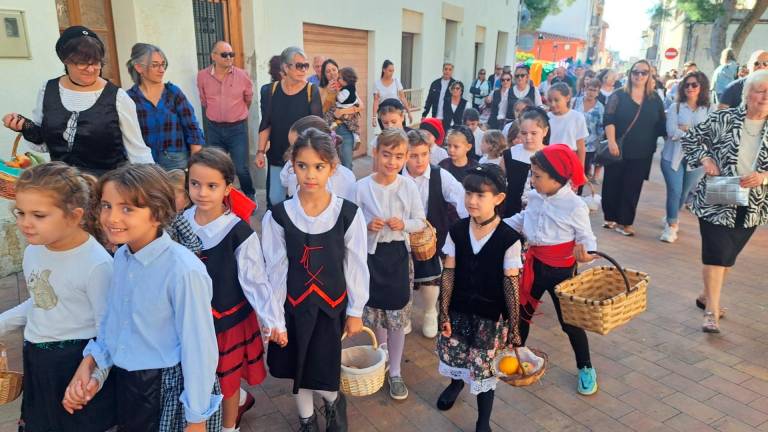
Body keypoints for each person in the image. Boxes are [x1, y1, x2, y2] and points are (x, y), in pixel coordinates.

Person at [62, 164, 222, 431]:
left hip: (166, 390)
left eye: (127, 208)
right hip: (128, 386)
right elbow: (116, 322)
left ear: (157, 213)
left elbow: (199, 349)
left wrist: (196, 418)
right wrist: (93, 365)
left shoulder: (183, 271)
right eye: (106, 205)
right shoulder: (123, 257)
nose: (111, 218)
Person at [262, 128, 369, 431]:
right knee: (300, 368)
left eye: (319, 166)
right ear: (292, 166)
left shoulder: (348, 214)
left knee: (324, 367)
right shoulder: (278, 216)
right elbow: (276, 269)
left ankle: (334, 406)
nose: (310, 174)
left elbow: (357, 263)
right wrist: (275, 319)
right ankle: (307, 420)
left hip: (330, 308)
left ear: (332, 168)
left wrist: (356, 310)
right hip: (293, 307)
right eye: (302, 165)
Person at [0, 163, 115, 432]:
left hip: (75, 364)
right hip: (37, 360)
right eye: (21, 213)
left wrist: (92, 376)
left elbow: (108, 331)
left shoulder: (97, 265)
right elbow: (45, 301)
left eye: (39, 215)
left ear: (74, 216)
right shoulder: (34, 251)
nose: (25, 223)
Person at [184, 149, 279, 431]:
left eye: (212, 186)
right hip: (191, 319)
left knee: (227, 379)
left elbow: (255, 280)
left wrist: (273, 320)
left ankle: (229, 427)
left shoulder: (237, 231)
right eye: (195, 184)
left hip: (228, 321)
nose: (202, 192)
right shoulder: (179, 222)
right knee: (197, 374)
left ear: (227, 187)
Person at [504, 144, 598, 395]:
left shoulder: (575, 205)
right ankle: (517, 354)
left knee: (570, 323)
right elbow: (522, 220)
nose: (532, 180)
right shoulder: (535, 197)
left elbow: (588, 239)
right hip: (533, 266)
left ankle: (586, 367)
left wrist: (586, 253)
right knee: (521, 313)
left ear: (557, 177)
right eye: (532, 174)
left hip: (561, 273)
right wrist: (496, 226)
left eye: (537, 176)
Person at [435, 164, 523, 432]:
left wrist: (515, 325)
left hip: (490, 317)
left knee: (484, 368)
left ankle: (483, 420)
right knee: (456, 356)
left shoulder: (509, 238)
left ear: (498, 198)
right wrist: (444, 311)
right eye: (468, 193)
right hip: (459, 309)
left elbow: (511, 283)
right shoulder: (458, 230)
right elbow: (448, 272)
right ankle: (455, 383)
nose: (472, 201)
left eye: (480, 195)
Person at [682, 70, 768, 333]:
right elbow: (691, 138)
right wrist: (705, 159)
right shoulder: (724, 117)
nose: (764, 97)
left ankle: (707, 295)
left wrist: (765, 177)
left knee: (728, 256)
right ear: (747, 93)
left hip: (753, 202)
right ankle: (711, 312)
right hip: (720, 193)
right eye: (759, 90)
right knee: (716, 253)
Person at [2, 26, 153, 176]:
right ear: (65, 61)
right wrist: (25, 126)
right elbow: (43, 143)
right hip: (62, 187)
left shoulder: (118, 97)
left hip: (107, 190)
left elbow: (138, 151)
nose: (91, 69)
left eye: (96, 63)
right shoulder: (48, 90)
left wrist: (150, 187)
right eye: (82, 63)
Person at [356, 129, 425, 401]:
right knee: (377, 310)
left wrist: (404, 224)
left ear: (406, 157)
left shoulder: (408, 186)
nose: (392, 161)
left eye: (398, 156)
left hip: (397, 256)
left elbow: (420, 220)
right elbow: (348, 222)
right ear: (376, 153)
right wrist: (365, 224)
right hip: (371, 257)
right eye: (386, 154)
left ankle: (395, 370)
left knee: (396, 314)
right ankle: (381, 348)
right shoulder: (361, 187)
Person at [405, 130, 468, 339]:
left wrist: (470, 224)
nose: (420, 160)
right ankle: (403, 314)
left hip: (432, 237)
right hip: (401, 236)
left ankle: (430, 312)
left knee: (431, 277)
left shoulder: (440, 175)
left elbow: (460, 197)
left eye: (424, 154)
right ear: (404, 155)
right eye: (413, 155)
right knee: (401, 277)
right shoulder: (396, 176)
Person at [601, 59, 666, 237]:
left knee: (632, 186)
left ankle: (626, 221)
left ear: (649, 75)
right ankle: (610, 216)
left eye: (644, 72)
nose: (639, 76)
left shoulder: (654, 99)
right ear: (630, 74)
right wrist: (612, 141)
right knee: (612, 183)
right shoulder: (618, 95)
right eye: (636, 72)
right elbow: (609, 119)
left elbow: (662, 124)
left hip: (642, 152)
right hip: (618, 148)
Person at [257, 46, 323, 208]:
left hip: (302, 157)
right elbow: (266, 123)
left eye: (306, 66)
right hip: (277, 154)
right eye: (299, 66)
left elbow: (317, 125)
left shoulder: (311, 90)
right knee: (275, 199)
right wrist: (260, 151)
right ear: (285, 67)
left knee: (300, 201)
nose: (304, 70)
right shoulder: (269, 91)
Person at [126, 43, 204, 171]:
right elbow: (127, 136)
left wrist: (195, 166)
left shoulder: (173, 93)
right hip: (145, 164)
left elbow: (193, 129)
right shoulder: (129, 98)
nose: (161, 70)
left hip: (177, 162)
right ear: (139, 67)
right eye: (155, 65)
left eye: (163, 64)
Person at [196, 40, 255, 200]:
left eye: (231, 54)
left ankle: (250, 195)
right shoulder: (202, 76)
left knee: (240, 167)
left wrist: (236, 113)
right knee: (215, 166)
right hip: (214, 128)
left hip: (237, 128)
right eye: (224, 54)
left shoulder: (242, 75)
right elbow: (204, 100)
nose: (229, 57)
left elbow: (248, 99)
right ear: (213, 56)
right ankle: (219, 198)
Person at [660, 71, 712, 244]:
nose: (690, 88)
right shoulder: (676, 107)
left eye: (694, 85)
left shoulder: (710, 109)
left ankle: (671, 212)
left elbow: (711, 135)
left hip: (696, 160)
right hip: (672, 156)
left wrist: (687, 130)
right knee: (674, 190)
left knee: (683, 193)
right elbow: (671, 132)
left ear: (702, 87)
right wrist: (694, 132)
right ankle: (671, 225)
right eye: (687, 85)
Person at [280, 116, 357, 201]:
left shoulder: (345, 178)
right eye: (291, 148)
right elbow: (285, 182)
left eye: (296, 147)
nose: (292, 153)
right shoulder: (291, 166)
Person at [501, 108, 549, 217]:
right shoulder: (510, 154)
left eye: (534, 133)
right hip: (511, 212)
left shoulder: (551, 155)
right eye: (524, 133)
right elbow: (500, 181)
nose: (528, 138)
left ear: (545, 131)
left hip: (541, 214)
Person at [572, 78, 605, 182]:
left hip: (589, 147)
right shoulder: (575, 102)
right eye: (590, 89)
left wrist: (599, 146)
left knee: (582, 173)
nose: (591, 92)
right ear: (585, 89)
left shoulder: (600, 108)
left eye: (594, 90)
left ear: (598, 92)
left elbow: (601, 128)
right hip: (572, 143)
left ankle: (578, 195)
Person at [547, 83, 589, 165]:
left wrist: (580, 169)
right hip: (549, 160)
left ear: (567, 98)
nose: (553, 104)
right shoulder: (546, 117)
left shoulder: (577, 117)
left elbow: (580, 146)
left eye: (556, 100)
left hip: (569, 161)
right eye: (550, 100)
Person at [166, 169, 204, 254]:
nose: (166, 200)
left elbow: (194, 245)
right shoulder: (157, 213)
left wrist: (182, 254)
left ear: (187, 200)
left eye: (173, 197)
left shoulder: (178, 219)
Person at [372, 60, 413, 127]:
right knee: (387, 134)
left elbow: (403, 98)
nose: (392, 73)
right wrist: (373, 118)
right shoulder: (377, 84)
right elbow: (376, 101)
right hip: (384, 112)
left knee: (401, 132)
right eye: (390, 70)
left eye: (393, 71)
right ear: (384, 70)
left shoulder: (396, 81)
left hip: (397, 111)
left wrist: (409, 112)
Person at [331, 67, 361, 138]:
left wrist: (337, 92)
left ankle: (334, 125)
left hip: (345, 107)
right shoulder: (352, 87)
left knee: (335, 116)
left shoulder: (347, 89)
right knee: (352, 124)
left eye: (340, 78)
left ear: (346, 80)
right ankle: (356, 137)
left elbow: (341, 99)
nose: (338, 79)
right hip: (350, 107)